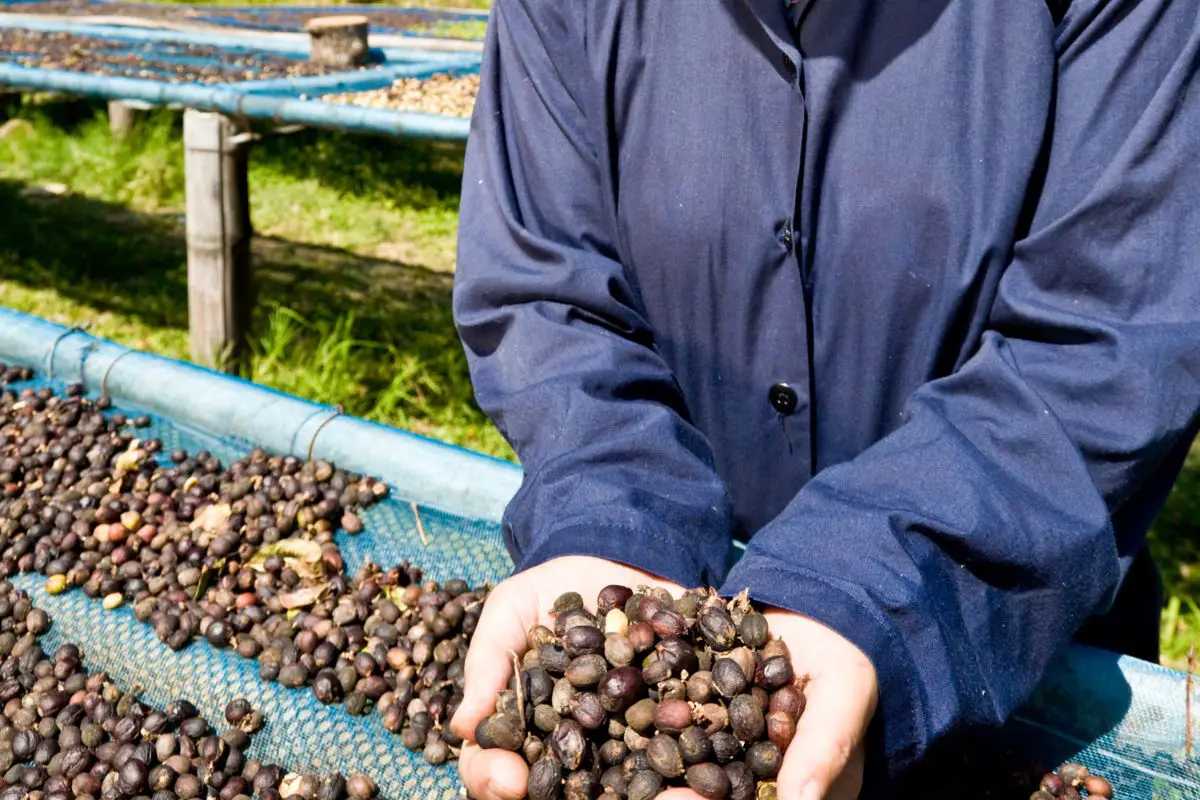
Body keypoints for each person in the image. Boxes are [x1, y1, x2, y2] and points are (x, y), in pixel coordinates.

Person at [448, 0, 1200, 797]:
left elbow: (1110, 339)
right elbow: (547, 296)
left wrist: (866, 593)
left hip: (1017, 670)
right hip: (710, 616)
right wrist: (614, 522)